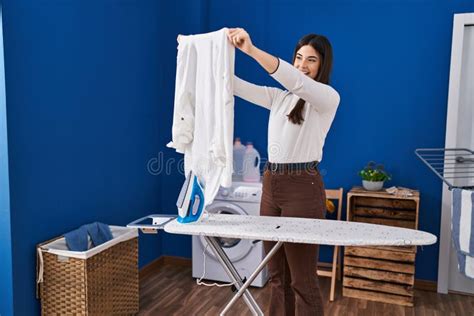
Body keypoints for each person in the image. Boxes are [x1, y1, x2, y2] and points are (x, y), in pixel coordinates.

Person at [227, 27, 340, 315]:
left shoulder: (327, 98)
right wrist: (199, 51)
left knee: (302, 279)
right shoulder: (278, 99)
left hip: (303, 188)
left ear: (323, 64)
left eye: (311, 60)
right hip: (271, 184)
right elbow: (231, 84)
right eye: (299, 57)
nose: (303, 64)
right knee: (277, 276)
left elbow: (291, 77)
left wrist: (250, 50)